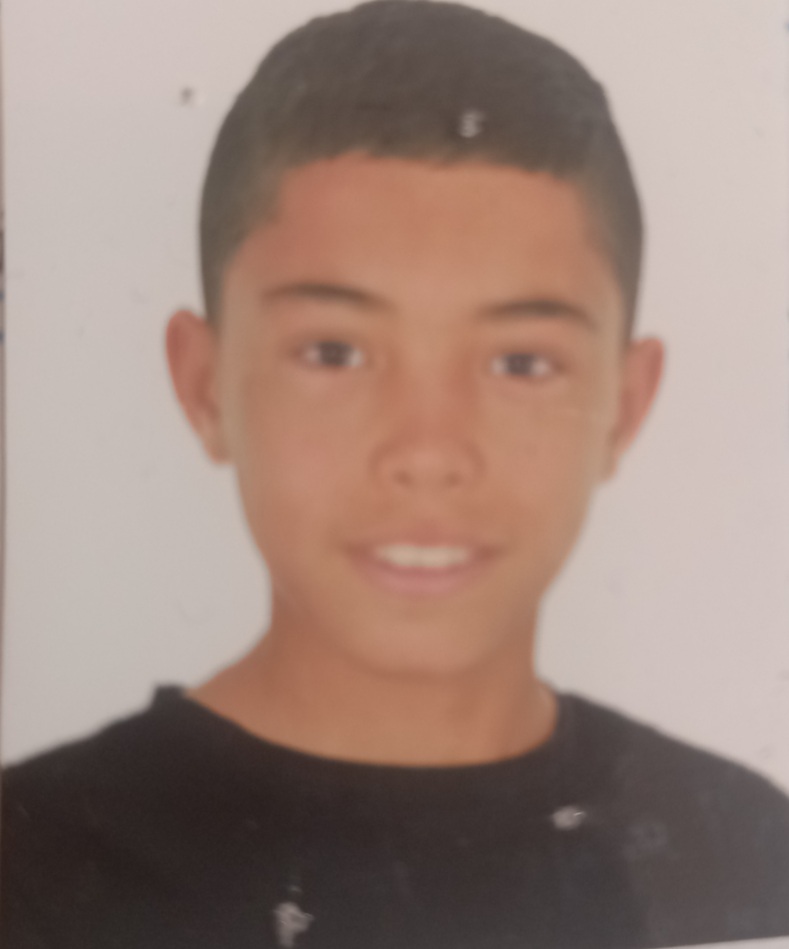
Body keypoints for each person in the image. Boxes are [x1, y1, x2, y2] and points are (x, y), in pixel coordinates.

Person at [2, 2, 788, 947]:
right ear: (204, 385)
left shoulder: (745, 855)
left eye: (519, 363)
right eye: (334, 352)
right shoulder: (33, 868)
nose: (427, 452)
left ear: (624, 403)